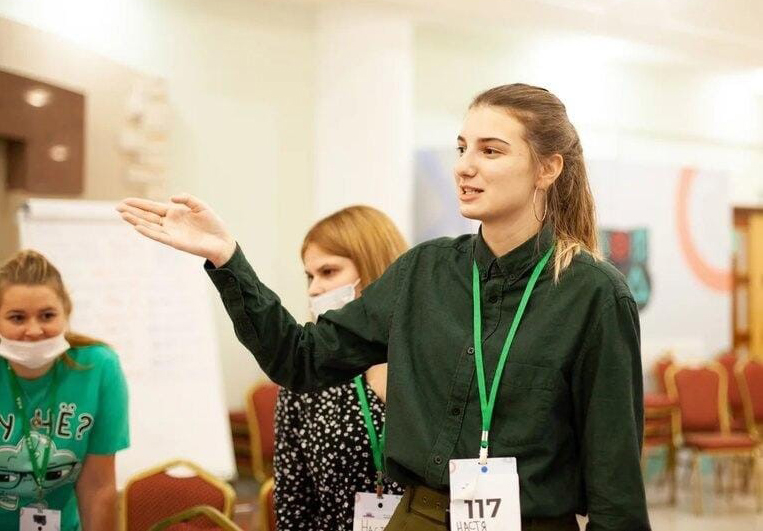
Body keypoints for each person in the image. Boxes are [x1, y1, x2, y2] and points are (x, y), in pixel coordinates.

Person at [118, 83, 650, 531]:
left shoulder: (594, 295)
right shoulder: (424, 271)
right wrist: (226, 258)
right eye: (461, 147)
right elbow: (301, 359)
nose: (464, 166)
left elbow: (616, 486)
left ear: (548, 168)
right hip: (416, 517)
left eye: (490, 151)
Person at [275, 205, 407, 530]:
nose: (314, 288)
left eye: (328, 272)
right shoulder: (308, 374)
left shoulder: (429, 359)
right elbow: (293, 503)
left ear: (374, 268)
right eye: (310, 276)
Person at [0, 250, 129, 531]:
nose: (34, 330)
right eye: (17, 318)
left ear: (66, 313)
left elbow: (98, 488)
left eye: (47, 316)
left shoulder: (98, 367)